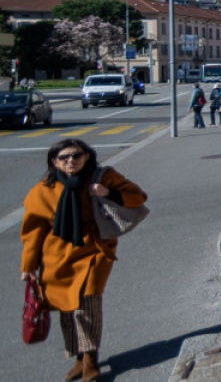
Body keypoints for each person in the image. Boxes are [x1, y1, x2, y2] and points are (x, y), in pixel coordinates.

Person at [20, 139, 148, 382]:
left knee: (87, 306)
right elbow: (33, 231)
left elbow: (138, 197)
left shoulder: (103, 176)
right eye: (64, 157)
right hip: (56, 256)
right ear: (54, 162)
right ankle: (78, 357)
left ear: (87, 156)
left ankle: (90, 359)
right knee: (67, 309)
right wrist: (28, 266)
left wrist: (108, 192)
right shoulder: (43, 189)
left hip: (93, 250)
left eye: (76, 155)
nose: (71, 160)